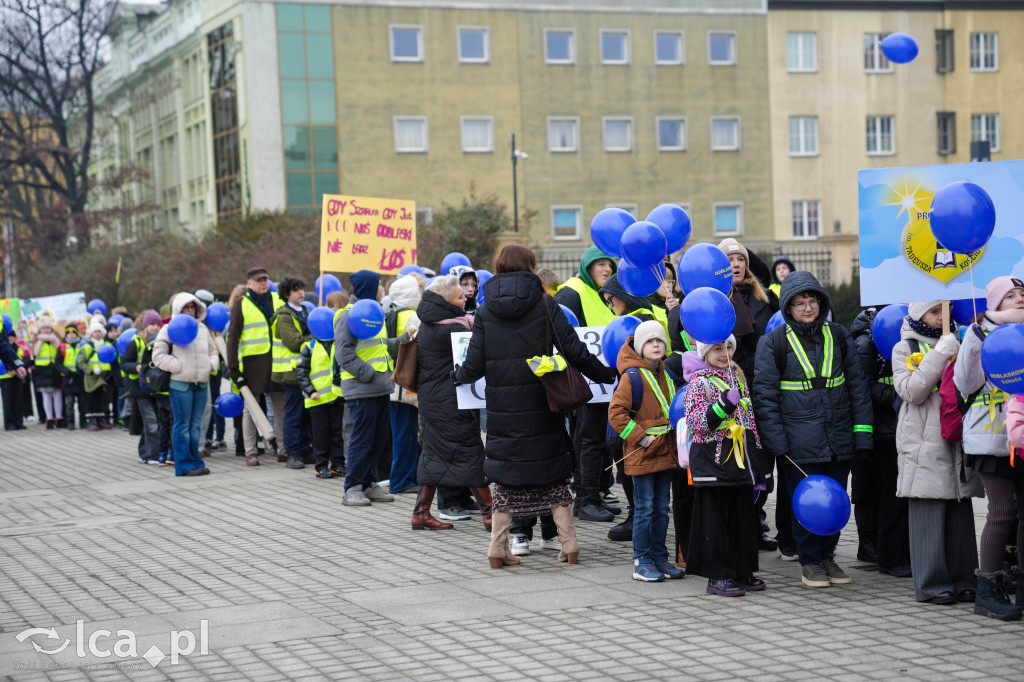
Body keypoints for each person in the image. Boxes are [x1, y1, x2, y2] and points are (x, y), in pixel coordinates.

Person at [455, 244, 617, 568]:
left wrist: (452, 375)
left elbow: (471, 368)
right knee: (553, 477)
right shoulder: (545, 303)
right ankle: (568, 544)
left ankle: (499, 548)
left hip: (503, 413)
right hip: (544, 406)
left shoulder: (484, 312)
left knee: (506, 479)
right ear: (530, 266)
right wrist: (608, 374)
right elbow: (575, 351)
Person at [753, 270, 873, 589]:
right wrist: (777, 442)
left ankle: (828, 555)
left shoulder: (839, 334)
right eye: (799, 303)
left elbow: (858, 387)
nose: (807, 308)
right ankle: (809, 561)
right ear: (788, 309)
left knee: (834, 500)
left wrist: (862, 434)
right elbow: (764, 396)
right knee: (807, 502)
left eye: (812, 301)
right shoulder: (773, 342)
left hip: (839, 436)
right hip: (798, 441)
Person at [893, 301, 982, 606]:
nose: (941, 317)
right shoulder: (904, 347)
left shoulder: (961, 339)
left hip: (955, 427)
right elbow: (912, 391)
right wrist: (940, 354)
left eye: (945, 310)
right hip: (923, 431)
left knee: (959, 503)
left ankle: (965, 578)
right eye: (934, 311)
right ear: (919, 315)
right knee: (929, 504)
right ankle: (932, 583)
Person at [954, 276, 1024, 620]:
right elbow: (963, 383)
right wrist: (979, 345)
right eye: (1011, 295)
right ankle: (989, 589)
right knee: (1002, 512)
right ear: (995, 304)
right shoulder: (979, 333)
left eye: (1023, 293)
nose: (1020, 299)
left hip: (1021, 436)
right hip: (989, 435)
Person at [683, 335, 767, 596]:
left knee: (743, 518)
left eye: (728, 346)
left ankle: (743, 569)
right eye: (717, 348)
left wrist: (758, 464)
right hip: (713, 460)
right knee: (715, 520)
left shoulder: (737, 378)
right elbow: (696, 421)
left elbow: (749, 421)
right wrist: (722, 405)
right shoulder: (699, 383)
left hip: (741, 461)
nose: (724, 352)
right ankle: (717, 575)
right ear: (705, 353)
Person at [608, 321, 685, 582]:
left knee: (663, 507)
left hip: (666, 453)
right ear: (640, 347)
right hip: (642, 454)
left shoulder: (668, 375)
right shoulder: (632, 377)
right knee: (645, 508)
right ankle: (642, 559)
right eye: (650, 341)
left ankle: (660, 557)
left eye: (660, 341)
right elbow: (616, 415)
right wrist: (641, 438)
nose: (656, 345)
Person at [412, 274, 491, 531]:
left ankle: (421, 513)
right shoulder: (454, 328)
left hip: (434, 399)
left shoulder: (432, 323)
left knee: (433, 454)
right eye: (459, 296)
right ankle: (491, 514)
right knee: (469, 451)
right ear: (446, 302)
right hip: (448, 401)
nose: (465, 298)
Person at [718, 238, 779, 553]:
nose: (736, 264)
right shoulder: (715, 299)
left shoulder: (765, 298)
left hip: (763, 389)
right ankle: (736, 528)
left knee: (762, 464)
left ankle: (757, 523)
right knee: (736, 462)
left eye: (740, 258)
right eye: (728, 260)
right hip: (729, 393)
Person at [335, 269, 413, 506]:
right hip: (362, 389)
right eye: (379, 285)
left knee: (378, 440)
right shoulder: (348, 315)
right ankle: (352, 488)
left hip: (379, 388)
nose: (383, 289)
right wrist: (370, 375)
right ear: (369, 288)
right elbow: (343, 354)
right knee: (362, 439)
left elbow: (381, 345)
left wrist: (404, 339)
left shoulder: (373, 312)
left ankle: (368, 484)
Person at [554, 245, 620, 524]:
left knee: (597, 440)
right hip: (584, 379)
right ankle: (585, 499)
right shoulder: (571, 292)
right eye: (600, 264)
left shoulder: (603, 293)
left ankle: (593, 494)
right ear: (587, 266)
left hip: (603, 377)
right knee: (588, 439)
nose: (606, 269)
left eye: (609, 265)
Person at [851, 306, 911, 575]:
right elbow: (865, 385)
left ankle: (899, 551)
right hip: (881, 430)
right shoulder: (866, 342)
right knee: (889, 493)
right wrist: (898, 395)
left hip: (903, 425)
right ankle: (888, 555)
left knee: (898, 493)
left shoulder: (912, 334)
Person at [153, 293, 219, 477]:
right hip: (180, 384)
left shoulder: (203, 330)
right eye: (186, 307)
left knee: (195, 425)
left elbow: (214, 352)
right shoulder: (168, 329)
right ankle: (182, 465)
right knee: (182, 425)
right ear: (178, 309)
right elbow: (158, 356)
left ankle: (196, 461)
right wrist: (178, 367)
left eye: (192, 307)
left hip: (201, 383)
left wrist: (211, 366)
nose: (190, 310)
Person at [226, 267, 285, 467]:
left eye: (265, 279)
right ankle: (250, 451)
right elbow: (232, 337)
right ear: (249, 283)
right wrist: (233, 366)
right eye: (258, 280)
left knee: (280, 407)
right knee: (250, 408)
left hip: (277, 360)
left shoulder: (277, 300)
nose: (263, 283)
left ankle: (282, 448)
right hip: (253, 365)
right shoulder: (242, 304)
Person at [297, 294, 346, 480]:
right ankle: (321, 466)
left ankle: (338, 464)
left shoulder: (337, 343)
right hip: (316, 399)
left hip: (335, 396)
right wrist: (310, 391)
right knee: (320, 435)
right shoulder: (308, 346)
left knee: (336, 434)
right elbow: (301, 373)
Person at [271, 276, 313, 470]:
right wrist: (318, 336)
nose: (300, 292)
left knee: (306, 414)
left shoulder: (304, 311)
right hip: (290, 371)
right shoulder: (284, 316)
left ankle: (305, 449)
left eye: (301, 289)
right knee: (294, 414)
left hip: (305, 370)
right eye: (296, 289)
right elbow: (294, 343)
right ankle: (292, 452)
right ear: (287, 293)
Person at [385, 274, 422, 495]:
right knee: (406, 434)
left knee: (401, 432)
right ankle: (401, 481)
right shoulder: (413, 317)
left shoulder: (388, 315)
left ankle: (403, 477)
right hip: (406, 384)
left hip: (391, 382)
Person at [123, 310, 165, 464]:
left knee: (153, 422)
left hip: (156, 387)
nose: (154, 327)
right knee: (151, 421)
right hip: (140, 389)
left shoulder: (161, 340)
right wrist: (136, 367)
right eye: (151, 324)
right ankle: (153, 455)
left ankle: (144, 453)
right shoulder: (136, 342)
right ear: (145, 325)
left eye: (157, 324)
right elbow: (125, 363)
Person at [77, 319, 111, 431]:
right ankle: (91, 419)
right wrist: (91, 370)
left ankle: (101, 418)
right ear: (91, 333)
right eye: (95, 332)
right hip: (91, 377)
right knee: (91, 398)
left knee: (102, 399)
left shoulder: (106, 345)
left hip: (104, 377)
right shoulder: (87, 347)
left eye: (99, 332)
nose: (97, 334)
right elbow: (81, 362)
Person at [32, 315, 64, 429]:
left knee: (57, 394)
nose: (46, 330)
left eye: (48, 327)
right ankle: (49, 418)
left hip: (55, 370)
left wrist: (55, 341)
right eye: (43, 328)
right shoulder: (37, 341)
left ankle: (59, 418)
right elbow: (34, 354)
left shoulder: (56, 340)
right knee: (46, 395)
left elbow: (61, 350)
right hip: (43, 371)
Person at [1, 328, 28, 429]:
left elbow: (19, 358)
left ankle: (18, 422)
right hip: (5, 376)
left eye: (12, 337)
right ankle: (9, 423)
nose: (10, 338)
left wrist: (18, 367)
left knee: (18, 399)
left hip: (17, 376)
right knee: (7, 401)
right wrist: (9, 368)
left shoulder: (17, 348)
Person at [59, 323, 85, 430]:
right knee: (69, 402)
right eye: (68, 333)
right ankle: (70, 422)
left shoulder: (82, 344)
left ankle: (83, 421)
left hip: (80, 377)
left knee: (82, 402)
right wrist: (66, 371)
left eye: (73, 333)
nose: (71, 335)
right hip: (69, 378)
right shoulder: (62, 346)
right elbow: (58, 363)